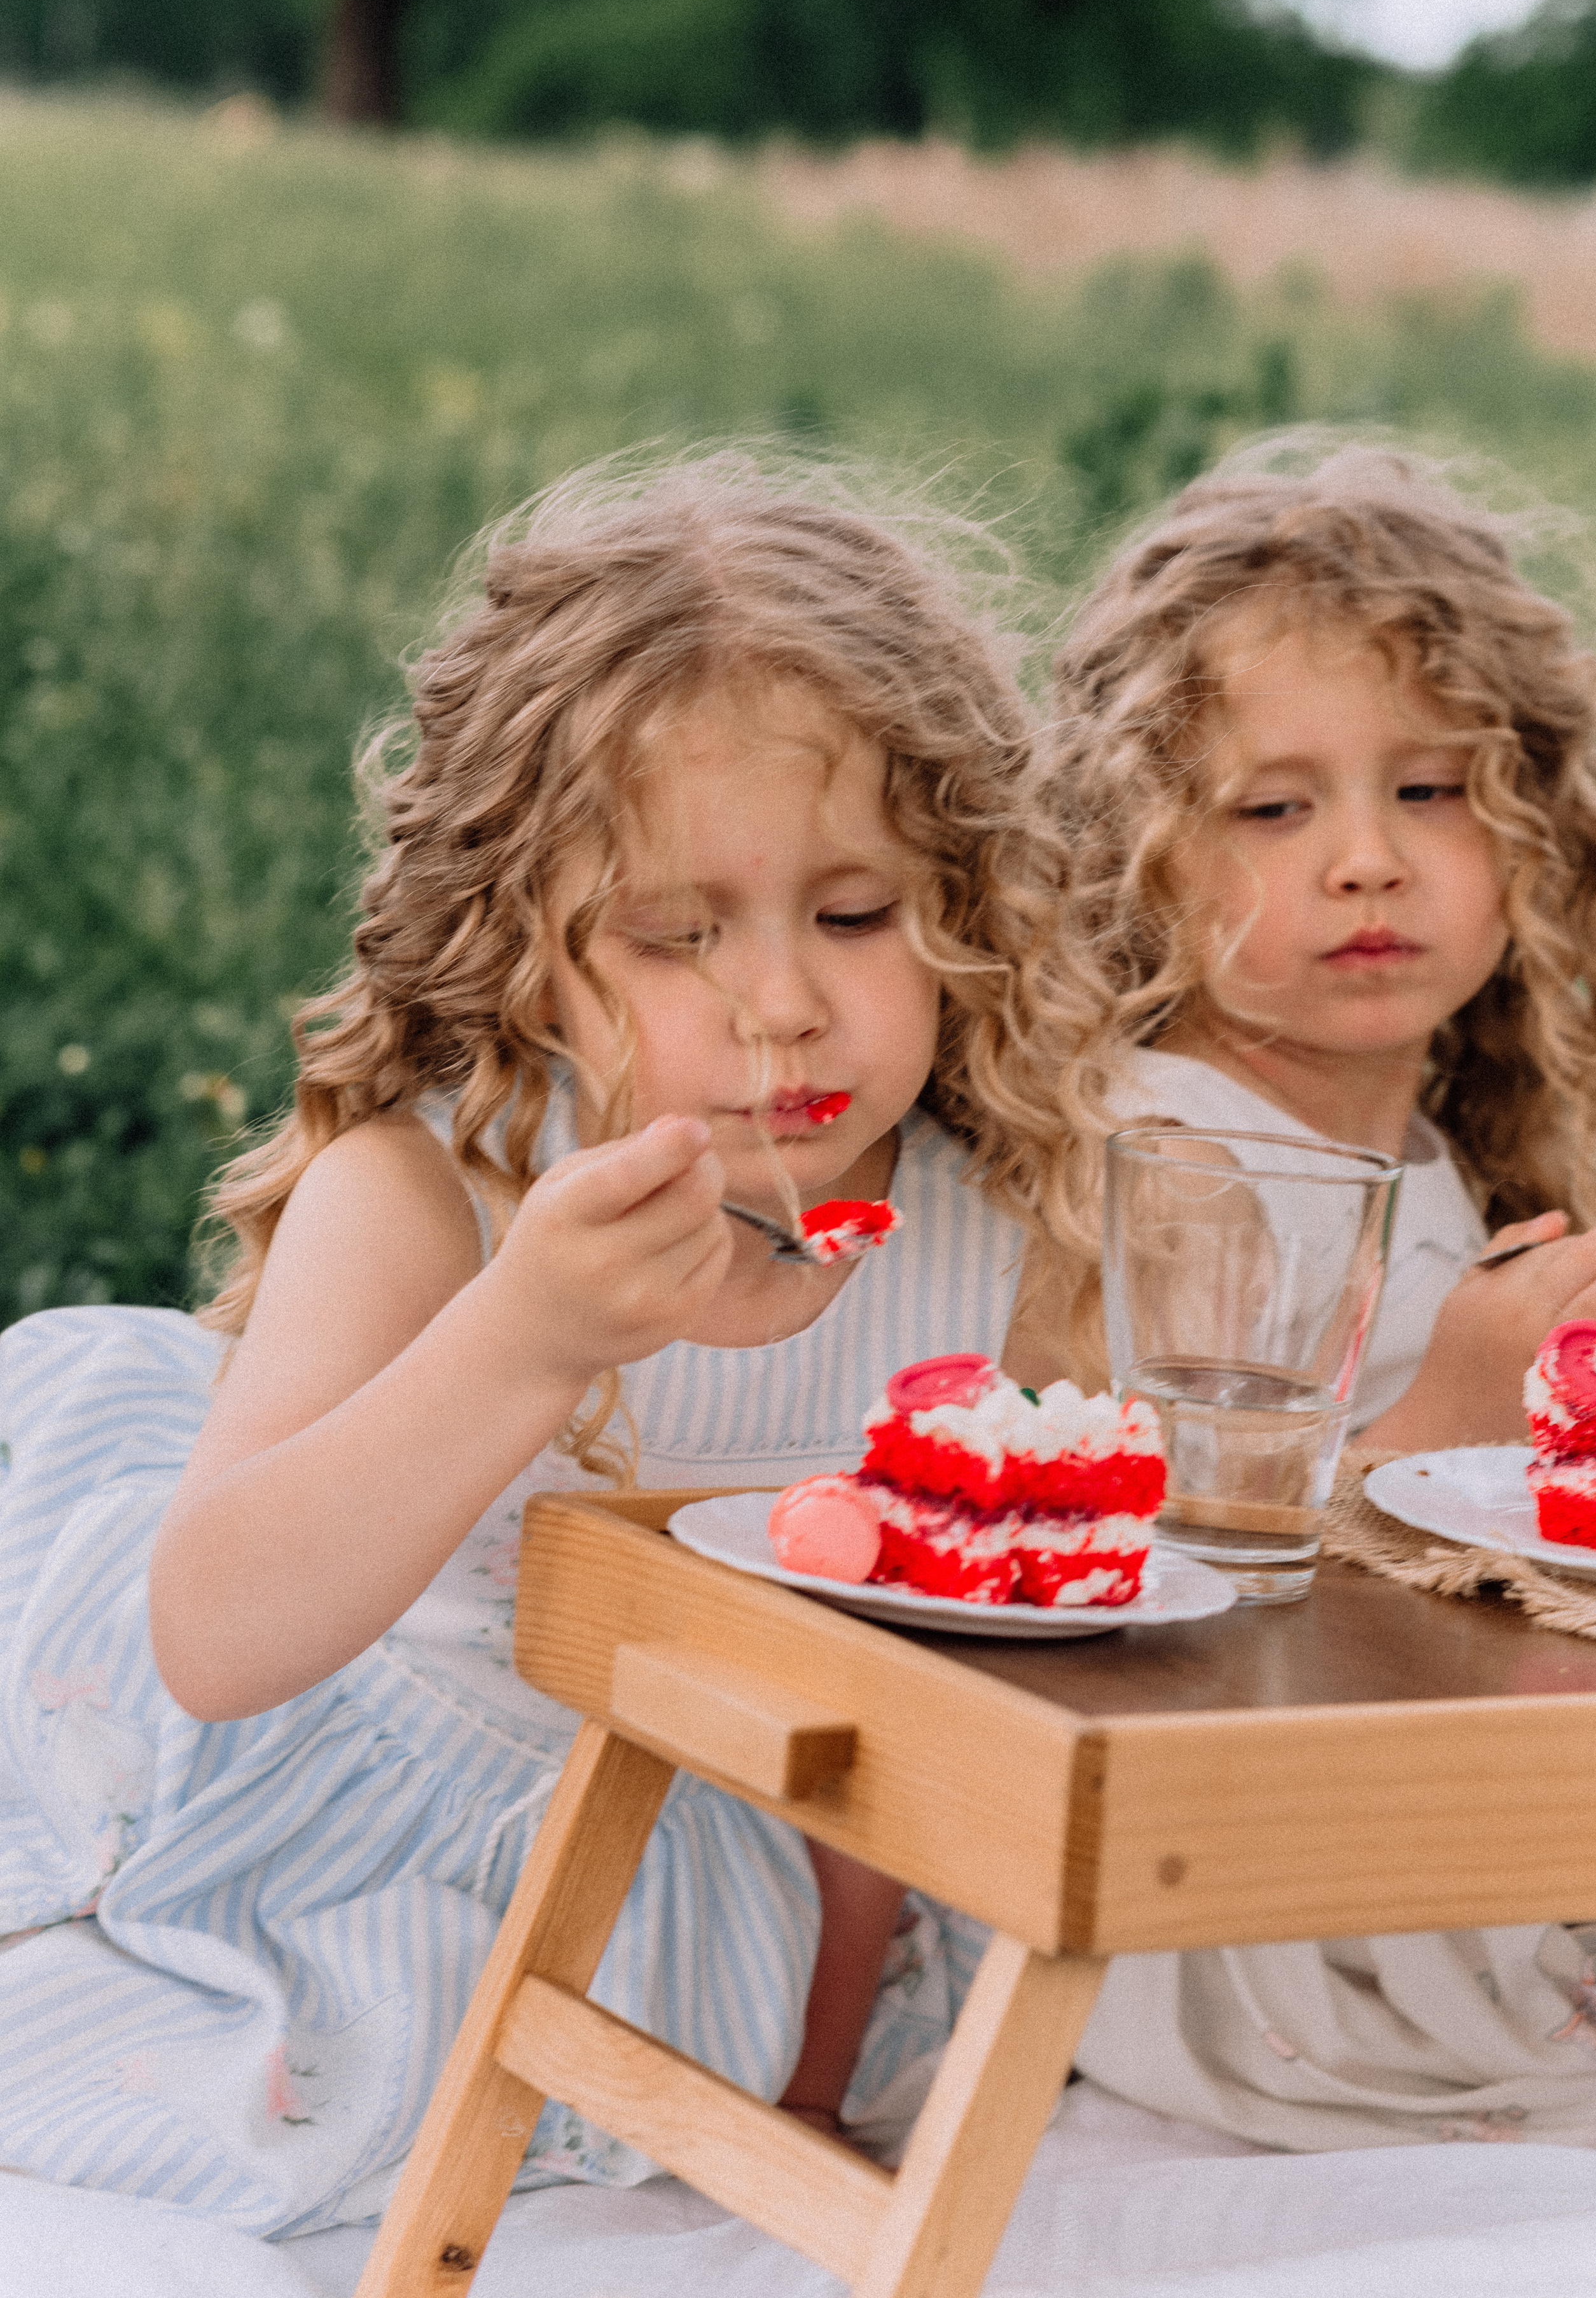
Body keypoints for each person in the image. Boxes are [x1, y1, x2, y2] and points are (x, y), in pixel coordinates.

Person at [0, 454, 1114, 2234]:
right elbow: (218, 1636)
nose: (785, 1001)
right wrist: (526, 1335)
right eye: (679, 934)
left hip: (741, 1871)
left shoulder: (999, 1235)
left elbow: (951, 1705)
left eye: (856, 914)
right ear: (521, 950)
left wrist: (824, 2078)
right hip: (347, 1800)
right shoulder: (431, 1191)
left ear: (970, 906)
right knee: (227, 2110)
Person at [1050, 435, 1596, 2148]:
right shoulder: (1179, 1156)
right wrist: (1448, 1413)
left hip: (1418, 1780)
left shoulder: (1446, 1157)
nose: (1367, 860)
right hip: (1258, 1883)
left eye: (1432, 791)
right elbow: (1175, 1605)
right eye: (1272, 806)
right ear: (1139, 851)